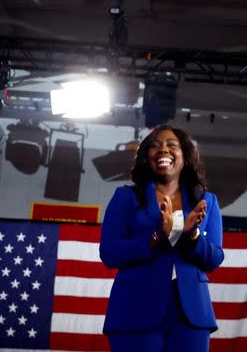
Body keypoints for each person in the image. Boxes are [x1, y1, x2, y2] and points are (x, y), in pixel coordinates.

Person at [100, 125, 224, 351]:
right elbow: (109, 252)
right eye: (155, 146)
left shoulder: (207, 200)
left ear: (184, 157)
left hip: (191, 314)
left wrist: (192, 234)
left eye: (171, 145)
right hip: (134, 309)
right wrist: (158, 235)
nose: (163, 150)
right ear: (146, 157)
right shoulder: (125, 197)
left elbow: (214, 258)